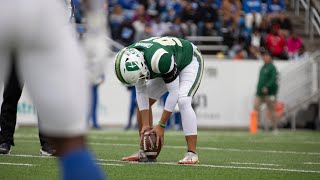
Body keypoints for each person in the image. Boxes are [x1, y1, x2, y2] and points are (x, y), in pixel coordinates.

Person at [0, 0, 107, 179]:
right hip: (40, 20)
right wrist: (97, 22)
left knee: (67, 131)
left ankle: (47, 143)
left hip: (45, 23)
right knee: (11, 93)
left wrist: (96, 19)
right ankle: (4, 139)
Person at [114, 36, 204, 164]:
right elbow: (140, 92)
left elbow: (174, 92)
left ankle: (192, 153)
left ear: (141, 64)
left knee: (183, 100)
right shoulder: (131, 56)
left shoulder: (160, 59)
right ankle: (144, 151)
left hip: (189, 59)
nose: (140, 78)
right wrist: (145, 125)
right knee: (142, 104)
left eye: (139, 75)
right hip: (166, 62)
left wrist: (161, 125)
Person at [0, 59, 55, 156]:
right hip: (15, 55)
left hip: (37, 56)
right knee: (10, 97)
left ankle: (47, 143)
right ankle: (4, 141)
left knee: (44, 100)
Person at [254, 50, 279, 132]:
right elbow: (260, 80)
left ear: (270, 58)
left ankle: (274, 127)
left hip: (269, 93)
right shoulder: (262, 67)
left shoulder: (272, 67)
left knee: (271, 109)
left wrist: (267, 87)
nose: (264, 57)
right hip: (259, 93)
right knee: (256, 106)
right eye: (264, 56)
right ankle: (258, 125)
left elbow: (273, 79)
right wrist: (258, 90)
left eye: (266, 56)